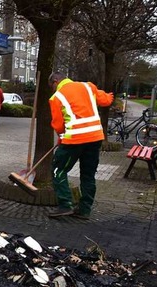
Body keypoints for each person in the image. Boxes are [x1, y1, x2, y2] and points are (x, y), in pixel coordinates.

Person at [47, 71, 114, 219]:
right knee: (88, 174)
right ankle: (84, 210)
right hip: (95, 137)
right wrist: (110, 96)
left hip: (75, 140)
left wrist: (62, 136)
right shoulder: (88, 86)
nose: (53, 89)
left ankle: (65, 205)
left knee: (58, 169)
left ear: (55, 81)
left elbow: (58, 125)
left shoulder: (56, 97)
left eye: (52, 86)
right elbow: (106, 101)